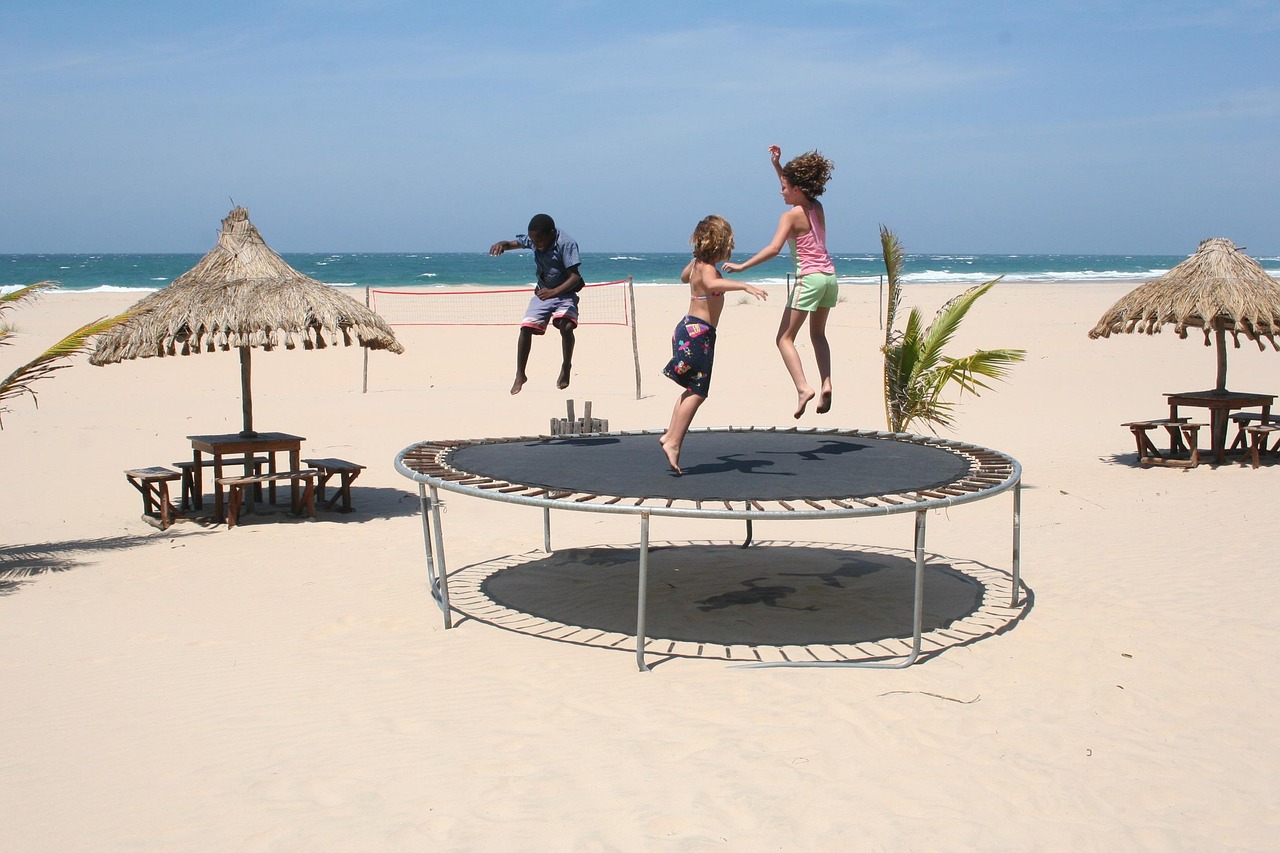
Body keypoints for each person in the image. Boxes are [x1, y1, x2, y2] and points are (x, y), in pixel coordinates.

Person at [722, 145, 837, 419]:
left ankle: (803, 388)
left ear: (796, 188)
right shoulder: (816, 207)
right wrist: (777, 165)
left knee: (784, 338)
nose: (780, 191)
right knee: (818, 335)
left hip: (809, 279)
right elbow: (795, 186)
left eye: (784, 188)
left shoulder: (790, 216)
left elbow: (774, 249)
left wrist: (742, 266)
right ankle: (826, 383)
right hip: (830, 278)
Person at [660, 215, 768, 474]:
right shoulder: (707, 269)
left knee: (691, 388)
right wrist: (744, 286)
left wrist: (695, 259)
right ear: (719, 246)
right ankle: (673, 441)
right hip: (699, 334)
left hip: (687, 330)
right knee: (698, 392)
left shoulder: (698, 264)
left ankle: (670, 435)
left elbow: (684, 277)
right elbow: (711, 283)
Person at [489, 214, 584, 394]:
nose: (536, 244)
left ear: (552, 233)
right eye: (533, 240)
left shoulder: (566, 244)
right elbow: (513, 244)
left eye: (540, 240)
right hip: (543, 292)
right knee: (525, 328)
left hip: (565, 292)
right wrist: (502, 244)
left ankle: (566, 366)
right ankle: (520, 374)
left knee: (566, 326)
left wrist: (554, 292)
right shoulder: (534, 239)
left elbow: (575, 277)